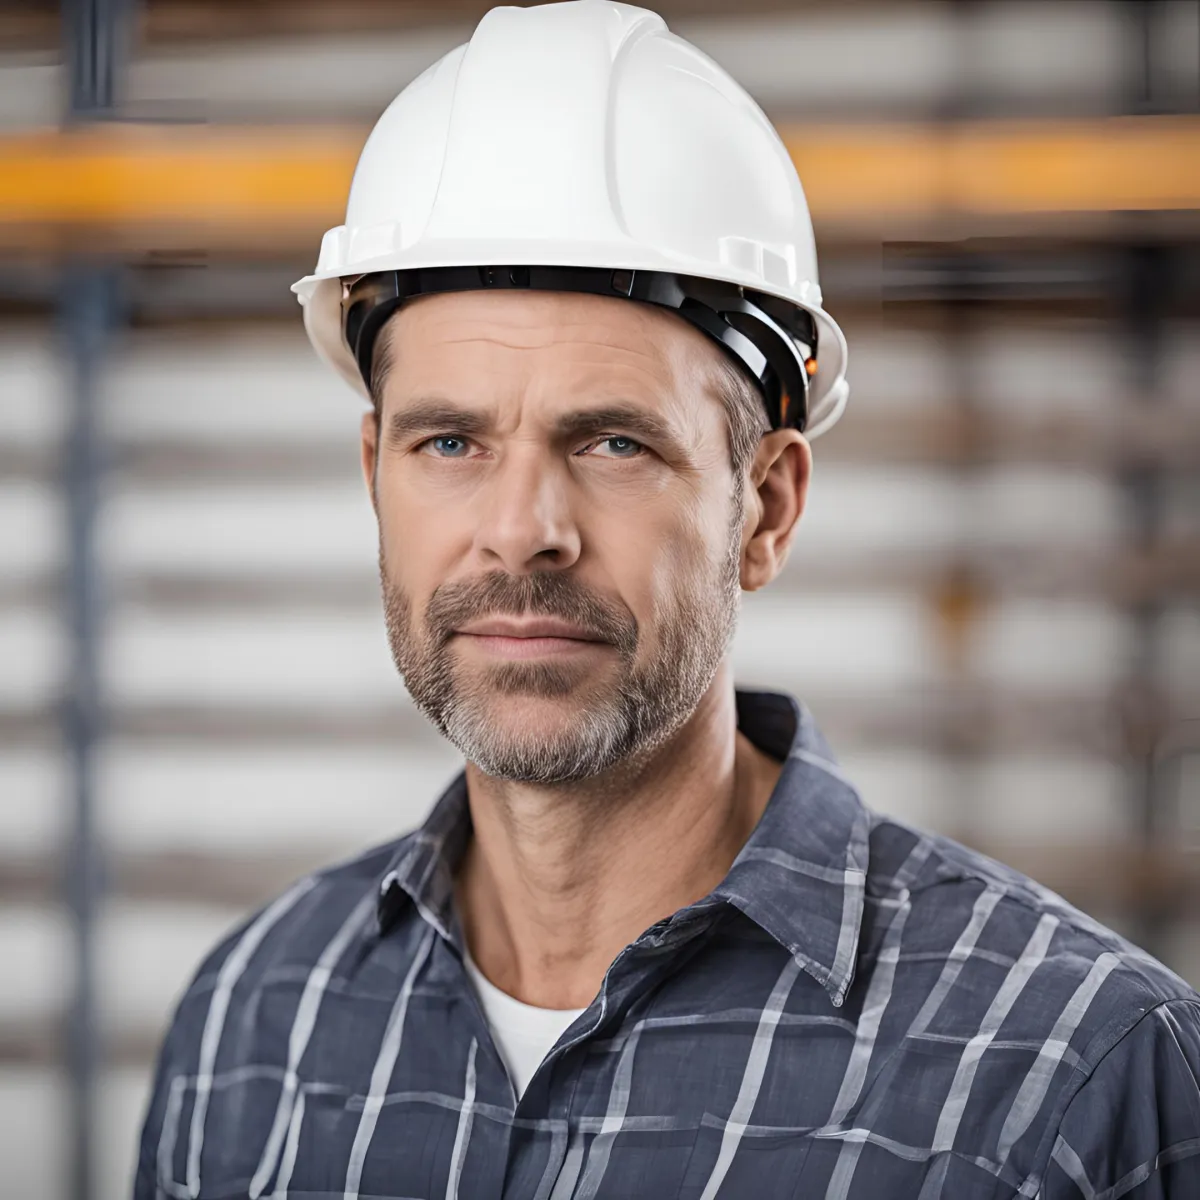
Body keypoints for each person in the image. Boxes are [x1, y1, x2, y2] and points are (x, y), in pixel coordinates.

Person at [134, 2, 1200, 1197]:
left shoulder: (1066, 1082)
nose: (524, 530)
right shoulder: (250, 1033)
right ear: (373, 473)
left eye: (613, 444)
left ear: (767, 508)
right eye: (450, 442)